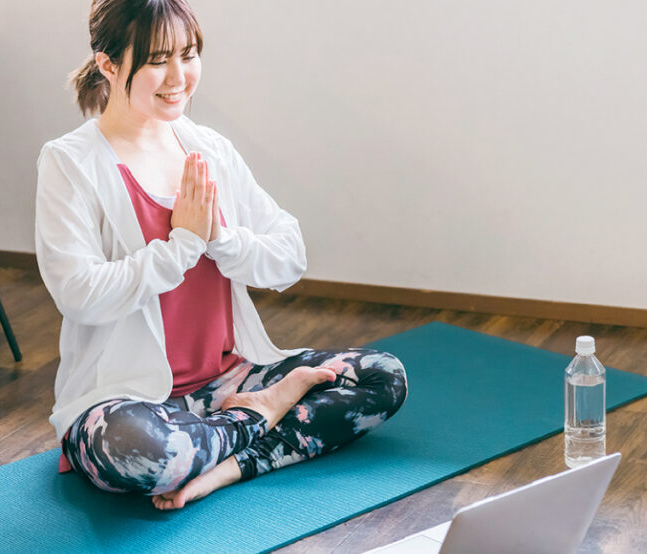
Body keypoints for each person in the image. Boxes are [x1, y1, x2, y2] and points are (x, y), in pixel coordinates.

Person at [35, 0, 408, 511]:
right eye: (157, 60)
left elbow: (289, 255)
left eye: (188, 55)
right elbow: (80, 296)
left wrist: (220, 239)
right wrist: (182, 245)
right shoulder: (69, 162)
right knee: (143, 453)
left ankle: (224, 464)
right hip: (129, 403)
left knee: (382, 377)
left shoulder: (208, 149)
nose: (179, 76)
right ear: (108, 64)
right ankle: (258, 422)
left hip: (230, 379)